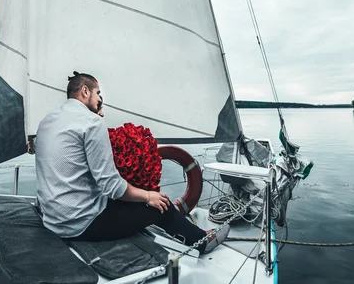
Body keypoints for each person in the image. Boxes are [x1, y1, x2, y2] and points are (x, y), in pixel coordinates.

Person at [34, 71, 229, 254]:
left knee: (129, 199)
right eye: (98, 93)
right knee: (160, 205)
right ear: (85, 91)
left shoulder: (46, 122)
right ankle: (202, 241)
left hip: (52, 221)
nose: (100, 99)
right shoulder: (90, 122)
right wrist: (147, 196)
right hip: (79, 225)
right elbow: (111, 186)